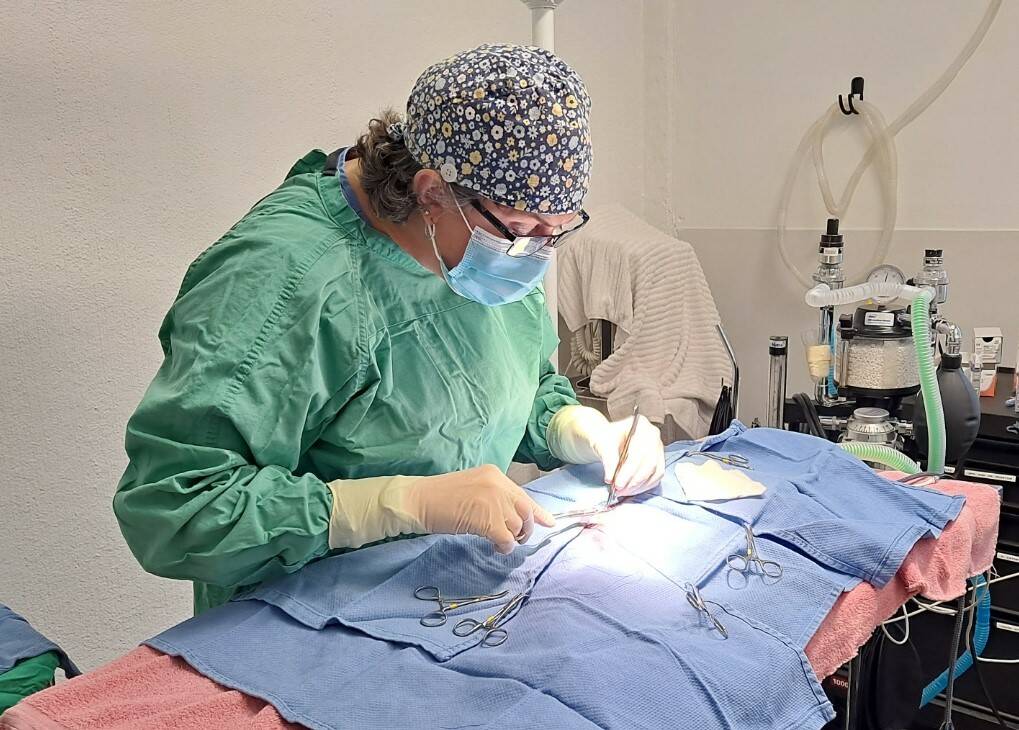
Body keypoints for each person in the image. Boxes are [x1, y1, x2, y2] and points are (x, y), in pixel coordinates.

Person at [114, 44, 665, 614]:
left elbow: (505, 387)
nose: (536, 254)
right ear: (431, 193)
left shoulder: (480, 259)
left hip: (445, 594)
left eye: (559, 231)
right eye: (524, 229)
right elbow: (178, 509)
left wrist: (578, 428)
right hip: (300, 625)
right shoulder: (287, 278)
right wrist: (401, 503)